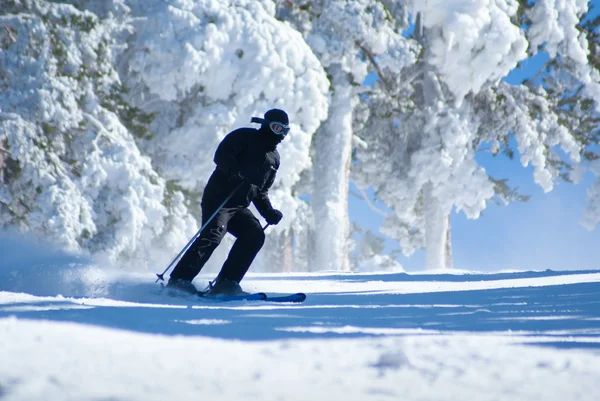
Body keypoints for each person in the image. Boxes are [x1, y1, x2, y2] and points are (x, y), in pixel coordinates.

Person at [166, 108, 290, 296]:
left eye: (284, 130)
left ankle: (227, 283)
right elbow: (221, 156)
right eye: (275, 127)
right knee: (213, 233)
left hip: (239, 206)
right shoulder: (244, 136)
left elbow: (261, 191)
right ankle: (179, 280)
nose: (279, 134)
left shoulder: (274, 159)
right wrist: (236, 171)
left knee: (254, 234)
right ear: (265, 124)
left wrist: (268, 212)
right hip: (220, 198)